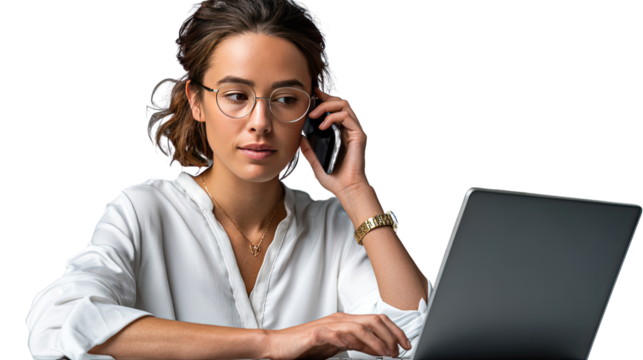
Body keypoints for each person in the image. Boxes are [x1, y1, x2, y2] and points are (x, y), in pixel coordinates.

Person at [26, 1, 431, 359]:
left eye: (286, 99)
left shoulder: (336, 227)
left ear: (313, 113)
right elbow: (58, 323)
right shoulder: (143, 211)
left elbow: (418, 339)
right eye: (236, 96)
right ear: (197, 101)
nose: (260, 123)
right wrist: (272, 343)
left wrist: (356, 191)